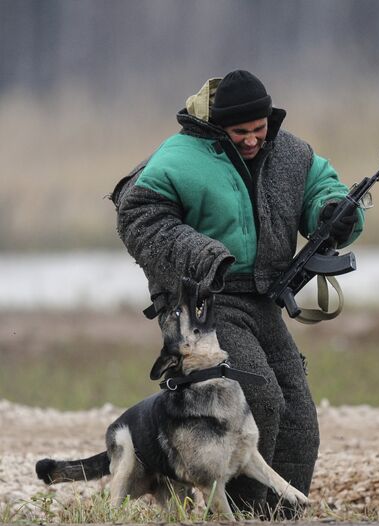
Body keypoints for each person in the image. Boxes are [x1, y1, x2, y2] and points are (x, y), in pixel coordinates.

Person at [110, 69, 364, 513]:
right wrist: (205, 255)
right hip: (203, 306)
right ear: (216, 126)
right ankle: (239, 513)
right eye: (240, 132)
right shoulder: (176, 159)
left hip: (264, 300)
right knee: (259, 397)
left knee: (301, 419)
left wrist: (335, 213)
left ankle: (280, 517)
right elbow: (138, 218)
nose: (252, 139)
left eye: (259, 129)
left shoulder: (291, 152)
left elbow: (325, 187)